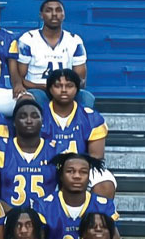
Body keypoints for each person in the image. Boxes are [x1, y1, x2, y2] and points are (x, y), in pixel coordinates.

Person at [39, 68, 116, 198]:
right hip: (46, 166)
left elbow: (96, 158)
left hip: (80, 167)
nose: (64, 90)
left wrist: (74, 171)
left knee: (105, 183)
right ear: (50, 89)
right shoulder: (37, 115)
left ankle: (93, 212)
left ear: (77, 89)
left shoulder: (90, 117)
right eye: (58, 86)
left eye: (69, 86)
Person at [31, 152, 121, 239]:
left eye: (83, 172)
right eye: (70, 171)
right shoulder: (44, 206)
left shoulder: (103, 206)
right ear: (61, 176)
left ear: (89, 176)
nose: (77, 176)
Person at [17, 0, 95, 108]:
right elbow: (20, 79)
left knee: (86, 97)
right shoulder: (27, 40)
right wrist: (46, 87)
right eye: (49, 10)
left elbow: (81, 81)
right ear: (41, 15)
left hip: (66, 90)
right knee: (36, 97)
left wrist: (64, 88)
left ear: (64, 15)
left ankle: (79, 120)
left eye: (58, 10)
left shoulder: (75, 41)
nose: (54, 14)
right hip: (38, 89)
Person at [0, 98, 62, 208]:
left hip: (46, 217)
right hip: (8, 215)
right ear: (14, 122)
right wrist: (15, 215)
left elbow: (65, 195)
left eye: (35, 116)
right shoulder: (0, 148)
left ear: (42, 121)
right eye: (23, 116)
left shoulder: (56, 150)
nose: (29, 120)